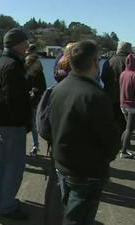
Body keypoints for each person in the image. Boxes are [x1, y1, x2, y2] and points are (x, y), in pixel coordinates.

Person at [49, 40, 120, 225]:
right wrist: (106, 158)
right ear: (95, 62)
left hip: (63, 165)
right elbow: (111, 140)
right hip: (87, 171)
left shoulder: (58, 89)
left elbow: (50, 125)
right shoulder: (94, 95)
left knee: (70, 213)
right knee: (78, 220)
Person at [0, 28, 31, 220]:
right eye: (25, 42)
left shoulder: (2, 62)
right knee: (14, 165)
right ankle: (7, 205)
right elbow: (13, 99)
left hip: (3, 121)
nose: (27, 46)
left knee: (3, 161)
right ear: (17, 44)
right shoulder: (14, 66)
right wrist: (26, 112)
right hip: (12, 123)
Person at [101, 41, 133, 134]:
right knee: (124, 124)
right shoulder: (130, 62)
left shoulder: (108, 61)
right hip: (126, 98)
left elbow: (103, 77)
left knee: (111, 120)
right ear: (128, 49)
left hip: (109, 95)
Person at [26, 54, 46, 156]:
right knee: (24, 125)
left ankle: (35, 146)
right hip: (25, 102)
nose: (39, 64)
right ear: (31, 63)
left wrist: (35, 92)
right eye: (37, 62)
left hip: (35, 103)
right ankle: (21, 146)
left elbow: (43, 88)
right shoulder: (25, 73)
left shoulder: (39, 74)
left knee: (34, 125)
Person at [119, 53, 135, 159]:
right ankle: (124, 152)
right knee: (130, 128)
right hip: (131, 104)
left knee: (127, 128)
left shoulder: (123, 73)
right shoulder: (134, 74)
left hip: (122, 103)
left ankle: (122, 148)